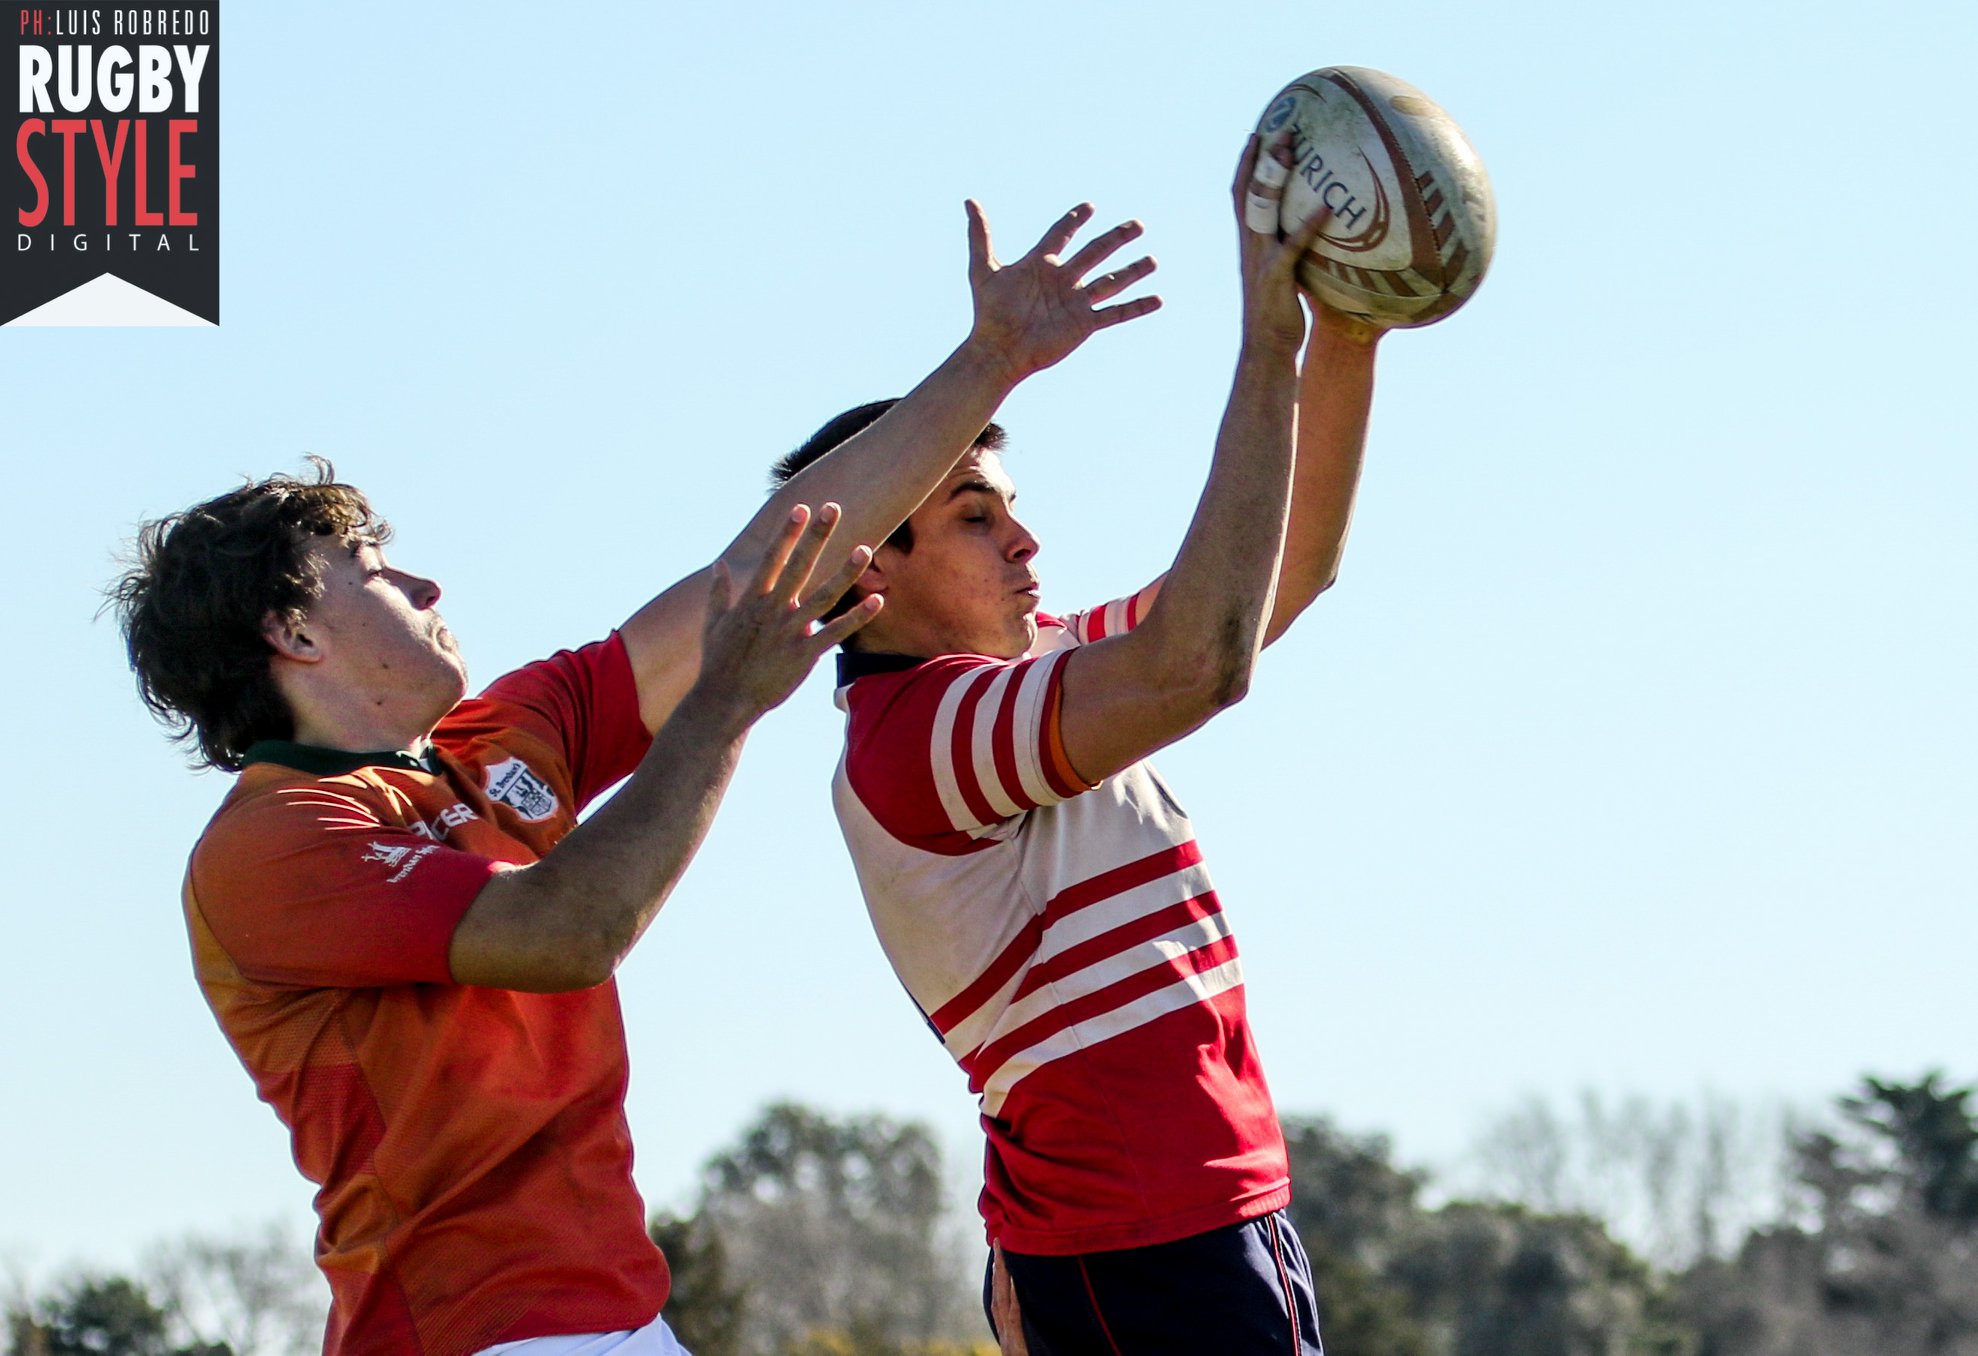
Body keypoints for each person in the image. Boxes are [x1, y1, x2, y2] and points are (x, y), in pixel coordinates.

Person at [110, 201, 1157, 1356]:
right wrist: (723, 707)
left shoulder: (497, 735)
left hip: (618, 1321)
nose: (425, 582)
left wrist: (990, 361)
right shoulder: (272, 843)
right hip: (473, 1337)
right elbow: (566, 931)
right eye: (370, 567)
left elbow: (760, 576)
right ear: (292, 632)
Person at [771, 136, 1387, 1353]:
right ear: (868, 569)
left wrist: (1348, 334)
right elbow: (1204, 662)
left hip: (1211, 1218)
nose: (1025, 541)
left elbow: (1283, 576)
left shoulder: (1032, 665)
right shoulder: (920, 735)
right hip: (1139, 1251)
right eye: (972, 515)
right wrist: (1264, 345)